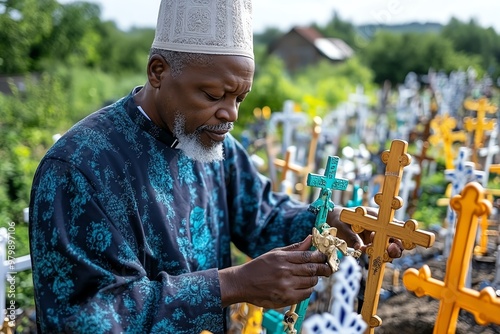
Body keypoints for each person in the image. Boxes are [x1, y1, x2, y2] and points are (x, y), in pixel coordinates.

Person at [28, 0, 403, 332]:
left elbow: (262, 217)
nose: (231, 114)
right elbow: (85, 317)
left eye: (240, 97)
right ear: (157, 71)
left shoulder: (210, 141)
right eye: (213, 95)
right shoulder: (78, 168)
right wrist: (233, 284)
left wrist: (329, 223)